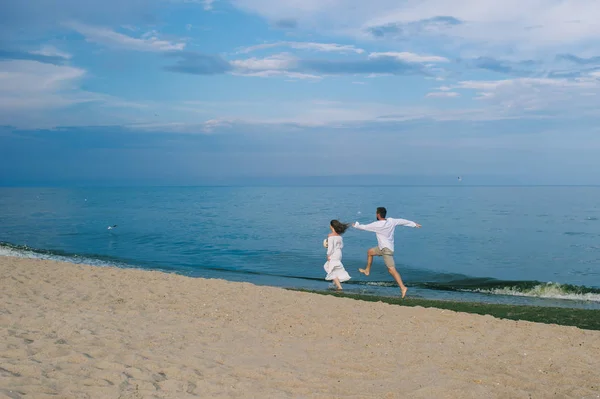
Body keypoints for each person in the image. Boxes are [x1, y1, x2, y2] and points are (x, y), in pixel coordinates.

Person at [353, 207, 421, 298]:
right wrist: (414, 224)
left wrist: (355, 225)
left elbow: (364, 227)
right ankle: (367, 270)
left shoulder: (377, 224)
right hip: (382, 248)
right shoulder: (391, 221)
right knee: (370, 252)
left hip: (386, 250)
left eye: (376, 213)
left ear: (377, 215)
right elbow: (402, 221)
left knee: (391, 270)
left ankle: (403, 287)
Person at [323, 220, 352, 290]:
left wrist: (328, 255)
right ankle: (335, 283)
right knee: (329, 267)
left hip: (333, 254)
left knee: (330, 268)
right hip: (339, 253)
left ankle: (339, 287)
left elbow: (330, 248)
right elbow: (341, 245)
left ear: (331, 226)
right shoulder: (339, 236)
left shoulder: (330, 236)